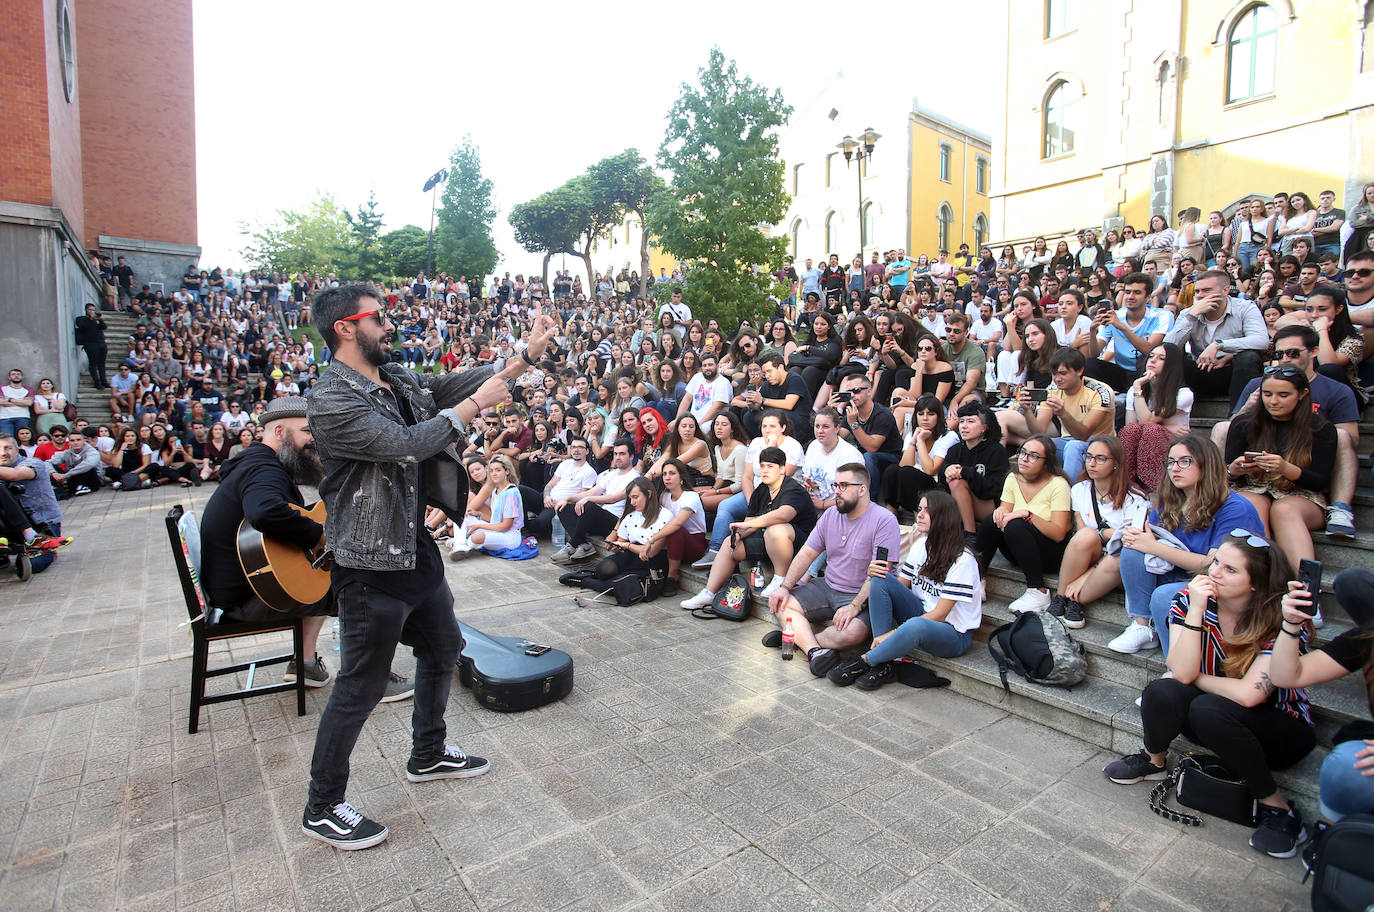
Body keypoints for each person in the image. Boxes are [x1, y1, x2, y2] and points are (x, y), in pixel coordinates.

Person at [301, 283, 554, 850]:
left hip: (413, 549)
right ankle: (322, 805)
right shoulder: (332, 398)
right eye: (380, 316)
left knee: (443, 648)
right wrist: (474, 407)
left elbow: (455, 383)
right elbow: (404, 443)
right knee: (362, 685)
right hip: (369, 563)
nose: (391, 325)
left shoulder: (395, 379)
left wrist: (524, 357)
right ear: (346, 327)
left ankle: (429, 752)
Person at [1104, 533, 1314, 859]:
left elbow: (1249, 695)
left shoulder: (1281, 618)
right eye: (1216, 562)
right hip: (1216, 717)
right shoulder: (1191, 600)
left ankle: (1277, 807)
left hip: (1280, 729)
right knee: (1161, 691)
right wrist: (1197, 609)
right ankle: (1153, 760)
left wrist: (1195, 679)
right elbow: (1180, 671)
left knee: (1206, 707)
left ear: (1255, 583)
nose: (1214, 572)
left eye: (1230, 570)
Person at [1114, 436, 1264, 655]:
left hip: (1222, 584)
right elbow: (1149, 543)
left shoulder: (1234, 507)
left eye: (1185, 461)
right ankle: (1142, 625)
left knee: (1165, 596)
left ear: (1207, 464)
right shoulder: (1169, 501)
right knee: (1133, 551)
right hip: (1180, 574)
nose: (1175, 468)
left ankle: (1176, 665)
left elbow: (1213, 566)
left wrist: (1153, 547)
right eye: (1171, 462)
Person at [750, 462, 899, 678]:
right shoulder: (831, 515)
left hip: (863, 595)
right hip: (827, 587)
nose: (836, 491)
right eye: (835, 485)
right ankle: (814, 651)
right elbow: (807, 553)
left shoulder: (884, 520)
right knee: (781, 601)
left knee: (853, 634)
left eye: (843, 486)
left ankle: (795, 639)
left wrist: (854, 606)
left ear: (862, 489)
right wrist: (785, 586)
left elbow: (880, 574)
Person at [1213, 324, 1361, 540]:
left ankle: (1340, 507)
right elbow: (1237, 427)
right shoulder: (1257, 385)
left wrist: (1295, 451)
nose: (1284, 359)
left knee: (1341, 435)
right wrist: (1250, 407)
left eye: (1292, 353)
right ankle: (1215, 489)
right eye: (1279, 354)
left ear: (1314, 352)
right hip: (1258, 477)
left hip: (1306, 463)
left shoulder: (1335, 391)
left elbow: (1350, 440)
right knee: (1222, 428)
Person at [1268, 571, 1374, 866]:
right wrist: (1290, 624)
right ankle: (1330, 830)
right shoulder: (1368, 636)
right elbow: (1287, 676)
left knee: (1349, 766)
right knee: (1347, 765)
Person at [826, 491, 983, 689]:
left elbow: (941, 614)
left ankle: (865, 661)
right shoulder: (921, 545)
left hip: (952, 634)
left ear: (943, 516)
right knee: (880, 580)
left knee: (916, 624)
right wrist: (872, 574)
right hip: (921, 614)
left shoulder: (963, 560)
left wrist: (893, 633)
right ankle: (884, 662)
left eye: (927, 511)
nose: (920, 515)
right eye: (919, 509)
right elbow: (897, 588)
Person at [1224, 366, 1335, 601]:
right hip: (1253, 487)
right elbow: (1225, 474)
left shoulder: (1321, 428)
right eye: (1267, 394)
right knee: (1250, 504)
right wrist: (1234, 469)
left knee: (1284, 509)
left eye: (1283, 395)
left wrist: (1286, 469)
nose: (1273, 401)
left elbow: (1320, 481)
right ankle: (1259, 587)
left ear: (1302, 394)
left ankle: (1305, 595)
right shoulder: (1244, 423)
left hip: (1302, 495)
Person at [680, 446, 818, 608]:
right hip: (770, 542)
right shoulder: (761, 490)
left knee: (776, 529)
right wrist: (739, 535)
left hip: (801, 546)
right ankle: (709, 593)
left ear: (782, 469)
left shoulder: (793, 489)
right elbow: (749, 521)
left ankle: (780, 579)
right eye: (762, 466)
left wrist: (749, 524)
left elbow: (783, 515)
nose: (765, 470)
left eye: (770, 466)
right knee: (730, 542)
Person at [1051, 436, 1149, 629]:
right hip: (1090, 553)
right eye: (1088, 457)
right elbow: (1082, 533)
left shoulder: (1134, 499)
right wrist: (1106, 533)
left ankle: (1077, 601)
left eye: (1100, 458)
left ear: (1116, 463)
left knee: (1118, 556)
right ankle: (1060, 597)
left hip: (1117, 560)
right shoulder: (1079, 490)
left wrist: (1087, 575)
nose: (1092, 463)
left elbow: (1128, 541)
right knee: (1085, 536)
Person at [974, 434, 1072, 614]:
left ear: (1046, 462)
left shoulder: (1058, 485)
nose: (1024, 459)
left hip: (1050, 553)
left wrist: (1028, 515)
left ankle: (1038, 591)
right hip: (1018, 548)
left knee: (1016, 523)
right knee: (992, 521)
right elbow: (1005, 509)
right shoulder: (1013, 478)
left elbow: (1059, 534)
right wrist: (1001, 511)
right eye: (1023, 452)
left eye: (1033, 456)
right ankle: (977, 579)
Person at [694, 411, 803, 568]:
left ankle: (742, 551)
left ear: (783, 427)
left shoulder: (793, 446)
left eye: (772, 426)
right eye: (764, 426)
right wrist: (752, 500)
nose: (767, 430)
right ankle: (715, 550)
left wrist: (771, 447)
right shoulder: (756, 443)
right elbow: (746, 477)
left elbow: (780, 477)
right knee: (726, 506)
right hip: (754, 494)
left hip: (780, 497)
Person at [999, 348, 1114, 482]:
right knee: (1037, 444)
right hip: (1067, 442)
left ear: (1079, 371)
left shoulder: (1100, 392)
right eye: (1054, 374)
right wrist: (1027, 411)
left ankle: (1069, 492)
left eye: (1063, 373)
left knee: (1074, 446)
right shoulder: (1053, 390)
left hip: (1101, 444)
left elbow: (1083, 435)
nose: (1057, 379)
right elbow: (1039, 431)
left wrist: (1063, 414)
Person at [1163, 269, 1267, 411]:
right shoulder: (1189, 313)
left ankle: (1238, 415)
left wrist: (1219, 345)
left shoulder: (1245, 307)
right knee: (1168, 358)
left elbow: (1261, 340)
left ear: (1225, 290)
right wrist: (1193, 315)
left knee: (1249, 357)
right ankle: (1169, 413)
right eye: (1197, 291)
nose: (1200, 295)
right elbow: (1167, 348)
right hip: (1201, 371)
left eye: (1206, 290)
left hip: (1234, 371)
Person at [548, 438, 637, 564]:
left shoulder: (634, 477)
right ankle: (583, 544)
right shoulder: (613, 474)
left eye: (622, 454)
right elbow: (591, 492)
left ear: (631, 456)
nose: (617, 457)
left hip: (616, 523)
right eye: (616, 454)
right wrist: (567, 499)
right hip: (600, 519)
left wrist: (588, 499)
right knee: (563, 507)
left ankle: (573, 544)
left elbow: (614, 498)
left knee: (589, 506)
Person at [1118, 342, 1192, 492]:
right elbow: (1131, 425)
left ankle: (1155, 487)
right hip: (1146, 438)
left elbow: (1146, 421)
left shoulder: (1184, 394)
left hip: (1174, 444)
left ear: (1171, 365)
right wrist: (1168, 426)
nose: (1152, 360)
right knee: (1131, 431)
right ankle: (1128, 484)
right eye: (1151, 356)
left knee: (1152, 430)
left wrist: (1137, 390)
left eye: (1161, 358)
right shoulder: (1136, 389)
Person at [0, 435, 71, 573]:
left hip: (42, 525)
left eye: (7, 448)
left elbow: (14, 474)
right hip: (10, 525)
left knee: (33, 565)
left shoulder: (33, 463)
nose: (3, 453)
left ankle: (41, 546)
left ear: (17, 449)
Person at [882, 395, 959, 520]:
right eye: (921, 414)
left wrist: (921, 441)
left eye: (931, 414)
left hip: (938, 487)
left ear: (939, 416)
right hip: (913, 485)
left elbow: (931, 470)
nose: (925, 418)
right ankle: (891, 517)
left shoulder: (949, 437)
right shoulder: (912, 435)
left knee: (908, 473)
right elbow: (903, 466)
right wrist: (913, 440)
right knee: (892, 470)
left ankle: (919, 519)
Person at [644, 459, 707, 593]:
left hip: (694, 545)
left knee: (674, 529)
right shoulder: (664, 496)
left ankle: (672, 577)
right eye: (665, 474)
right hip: (670, 545)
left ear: (681, 477)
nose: (667, 477)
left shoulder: (691, 496)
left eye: (672, 473)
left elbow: (678, 522)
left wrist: (652, 539)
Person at [836, 372, 901, 503]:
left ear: (869, 391)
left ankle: (870, 500)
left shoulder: (883, 414)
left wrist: (854, 424)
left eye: (856, 391)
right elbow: (837, 437)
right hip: (866, 455)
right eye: (849, 392)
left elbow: (872, 447)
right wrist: (832, 412)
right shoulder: (852, 413)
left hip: (890, 458)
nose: (852, 395)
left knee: (869, 457)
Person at [450, 454, 523, 557]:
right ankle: (460, 546)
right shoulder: (496, 490)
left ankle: (464, 544)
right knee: (463, 516)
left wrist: (479, 525)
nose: (494, 474)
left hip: (510, 536)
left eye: (498, 470)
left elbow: (505, 526)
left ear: (507, 471)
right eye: (491, 471)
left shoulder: (511, 492)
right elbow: (495, 518)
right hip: (495, 531)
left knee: (477, 537)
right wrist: (478, 514)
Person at [676, 353, 731, 428]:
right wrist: (677, 420)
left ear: (717, 366)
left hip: (713, 423)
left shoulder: (723, 383)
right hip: (693, 421)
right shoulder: (697, 377)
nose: (707, 368)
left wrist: (698, 426)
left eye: (710, 365)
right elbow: (687, 399)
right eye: (704, 365)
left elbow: (717, 408)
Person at [46, 428, 103, 497]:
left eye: (78, 440)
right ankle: (61, 487)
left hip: (93, 480)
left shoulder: (92, 452)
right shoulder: (66, 453)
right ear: (69, 442)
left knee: (87, 467)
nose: (75, 443)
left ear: (84, 440)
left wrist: (66, 475)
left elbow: (89, 464)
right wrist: (53, 473)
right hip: (72, 479)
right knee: (52, 467)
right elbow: (47, 462)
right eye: (72, 440)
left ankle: (83, 487)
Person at [74, 304, 109, 389]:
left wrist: (99, 319)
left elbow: (104, 327)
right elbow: (82, 327)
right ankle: (96, 382)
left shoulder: (97, 320)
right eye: (90, 310)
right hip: (90, 344)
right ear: (86, 310)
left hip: (101, 343)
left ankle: (104, 381)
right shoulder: (81, 319)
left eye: (93, 310)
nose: (92, 312)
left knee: (101, 363)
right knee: (93, 363)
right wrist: (90, 319)